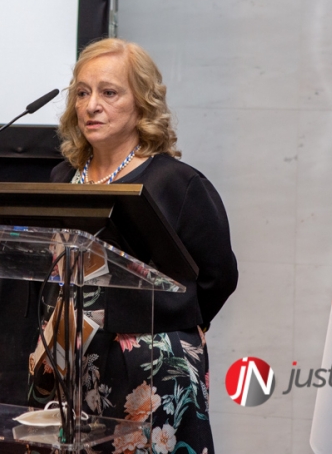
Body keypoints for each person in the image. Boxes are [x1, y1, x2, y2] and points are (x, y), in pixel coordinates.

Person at [48, 38, 238, 454]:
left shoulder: (176, 183)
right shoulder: (63, 178)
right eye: (82, 93)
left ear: (142, 103)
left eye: (109, 92)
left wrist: (173, 322)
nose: (91, 106)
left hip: (152, 369)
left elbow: (218, 277)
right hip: (73, 361)